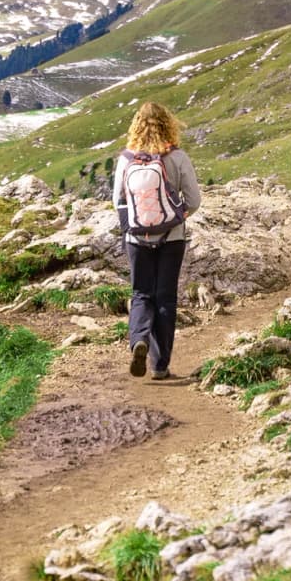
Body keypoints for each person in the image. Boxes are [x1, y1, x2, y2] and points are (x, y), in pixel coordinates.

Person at [112, 102, 202, 380]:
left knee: (141, 293)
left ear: (136, 125)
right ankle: (160, 365)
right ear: (168, 124)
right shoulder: (177, 157)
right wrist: (177, 217)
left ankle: (139, 338)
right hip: (172, 237)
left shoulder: (127, 159)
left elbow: (118, 201)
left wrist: (133, 228)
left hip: (137, 238)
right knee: (165, 298)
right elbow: (195, 200)